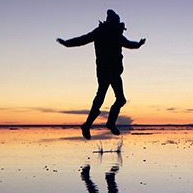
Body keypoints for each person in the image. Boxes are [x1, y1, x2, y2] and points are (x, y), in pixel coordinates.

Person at [57, 9, 145, 139]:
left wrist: (138, 44)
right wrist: (67, 43)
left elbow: (128, 44)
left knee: (120, 99)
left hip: (114, 72)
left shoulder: (117, 34)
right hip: (104, 71)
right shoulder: (100, 32)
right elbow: (83, 39)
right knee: (100, 99)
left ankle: (109, 123)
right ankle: (88, 125)